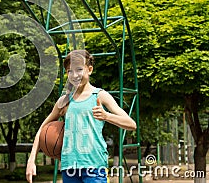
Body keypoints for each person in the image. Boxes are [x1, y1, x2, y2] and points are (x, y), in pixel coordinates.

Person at [26, 49, 136, 183]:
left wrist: (106, 116)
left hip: (94, 166)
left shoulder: (100, 96)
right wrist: (32, 160)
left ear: (89, 69)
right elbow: (42, 129)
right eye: (69, 71)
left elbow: (131, 124)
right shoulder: (64, 101)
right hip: (69, 167)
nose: (74, 75)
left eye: (79, 69)